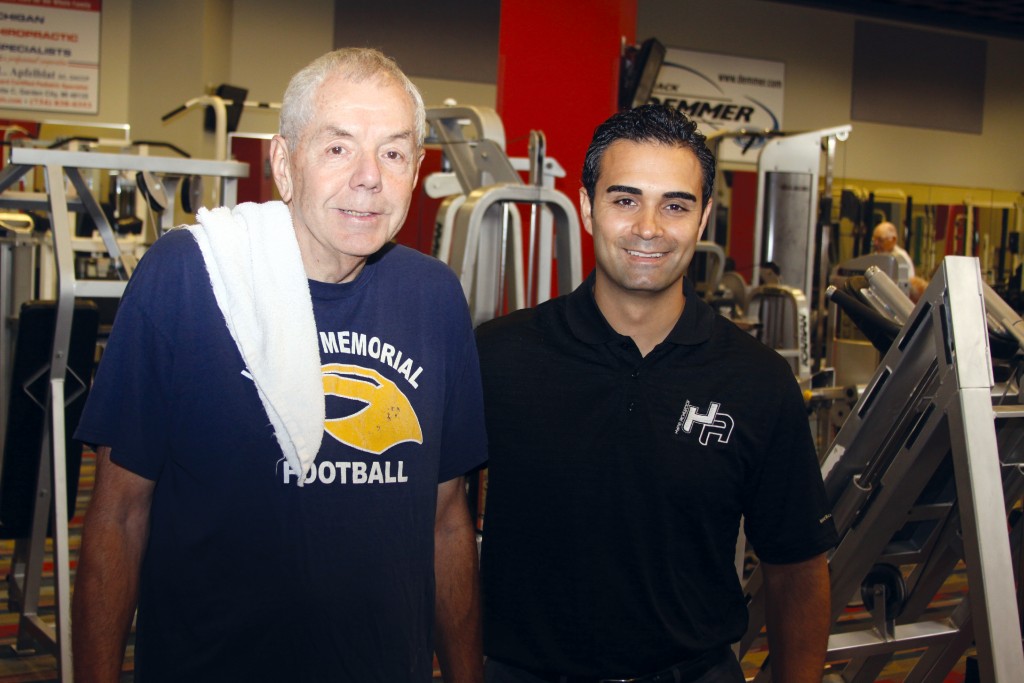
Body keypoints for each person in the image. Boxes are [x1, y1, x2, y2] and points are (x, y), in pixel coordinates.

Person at [72, 48, 487, 683]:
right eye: (338, 147)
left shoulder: (434, 298)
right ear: (284, 164)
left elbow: (447, 518)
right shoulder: (189, 278)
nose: (370, 177)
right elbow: (119, 514)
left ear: (415, 172)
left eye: (394, 152)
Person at [476, 104, 837, 683]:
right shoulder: (498, 357)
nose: (649, 227)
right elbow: (445, 527)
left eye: (675, 204)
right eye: (625, 200)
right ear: (589, 207)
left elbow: (796, 565)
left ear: (704, 218)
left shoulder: (756, 380)